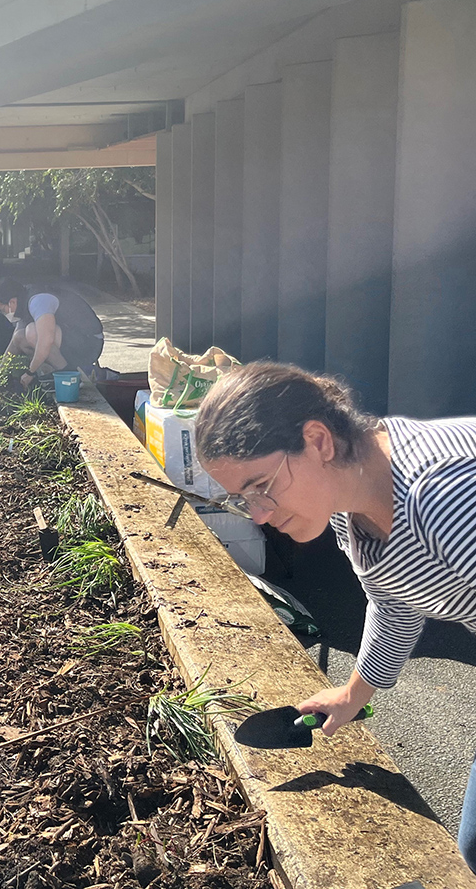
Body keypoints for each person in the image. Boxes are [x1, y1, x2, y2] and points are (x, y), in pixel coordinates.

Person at [194, 360, 476, 871]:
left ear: (319, 440)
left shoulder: (443, 495)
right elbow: (394, 600)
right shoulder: (352, 504)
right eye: (242, 498)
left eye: (261, 485)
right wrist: (353, 694)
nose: (257, 514)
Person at [0, 277, 104, 390]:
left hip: (89, 343)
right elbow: (15, 342)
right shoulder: (21, 300)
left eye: (2, 310)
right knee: (20, 337)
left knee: (32, 332)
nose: (2, 313)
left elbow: (45, 340)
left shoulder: (38, 301)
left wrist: (30, 372)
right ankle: (57, 372)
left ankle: (70, 375)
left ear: (11, 302)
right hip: (72, 339)